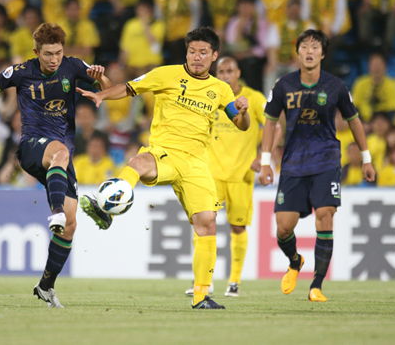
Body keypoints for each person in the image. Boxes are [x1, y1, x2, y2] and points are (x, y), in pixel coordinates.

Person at [0, 22, 111, 308]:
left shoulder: (74, 66)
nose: (54, 59)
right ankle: (54, 213)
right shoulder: (22, 71)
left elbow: (107, 88)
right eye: (48, 54)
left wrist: (100, 79)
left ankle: (45, 286)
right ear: (36, 52)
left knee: (71, 225)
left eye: (58, 53)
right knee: (61, 159)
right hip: (32, 147)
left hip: (59, 157)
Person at [77, 27, 250, 309]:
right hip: (165, 152)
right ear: (186, 52)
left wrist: (242, 111)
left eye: (203, 52)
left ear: (214, 56)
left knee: (206, 223)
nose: (197, 57)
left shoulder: (220, 89)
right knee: (139, 162)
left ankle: (201, 295)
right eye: (192, 51)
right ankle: (103, 207)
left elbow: (241, 125)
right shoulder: (165, 74)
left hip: (196, 163)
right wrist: (102, 96)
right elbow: (130, 87)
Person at [259, 29, 376, 302]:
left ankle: (317, 285)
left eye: (315, 47)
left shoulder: (335, 86)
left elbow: (354, 120)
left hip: (325, 160)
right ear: (297, 52)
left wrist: (367, 158)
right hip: (293, 164)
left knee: (325, 214)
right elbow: (271, 122)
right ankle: (295, 260)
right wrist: (266, 161)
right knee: (283, 228)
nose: (309, 51)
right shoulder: (283, 85)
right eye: (304, 47)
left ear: (323, 54)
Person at [204, 56, 267, 297]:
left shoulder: (254, 98)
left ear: (238, 72)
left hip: (241, 175)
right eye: (221, 72)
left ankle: (234, 281)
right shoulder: (210, 95)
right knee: (205, 224)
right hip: (211, 173)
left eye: (229, 71)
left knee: (237, 227)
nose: (225, 76)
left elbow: (274, 125)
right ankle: (204, 280)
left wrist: (264, 155)